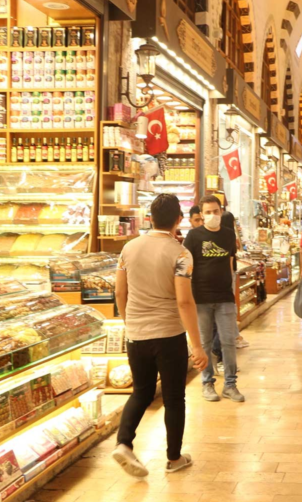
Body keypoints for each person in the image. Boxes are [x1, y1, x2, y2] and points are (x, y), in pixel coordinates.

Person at [112, 193, 208, 477]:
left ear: (149, 218)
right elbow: (184, 301)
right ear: (179, 220)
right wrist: (198, 345)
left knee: (141, 392)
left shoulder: (128, 248)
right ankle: (174, 458)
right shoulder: (181, 254)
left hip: (137, 335)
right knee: (174, 397)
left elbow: (120, 291)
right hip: (169, 336)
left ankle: (123, 443)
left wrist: (131, 324)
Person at [182, 195, 244, 403]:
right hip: (200, 298)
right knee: (205, 343)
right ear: (201, 214)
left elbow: (229, 264)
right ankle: (207, 383)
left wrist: (232, 292)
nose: (212, 215)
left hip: (224, 298)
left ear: (221, 212)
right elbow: (186, 267)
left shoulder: (228, 235)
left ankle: (230, 385)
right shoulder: (193, 236)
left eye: (215, 211)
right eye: (207, 212)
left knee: (228, 342)